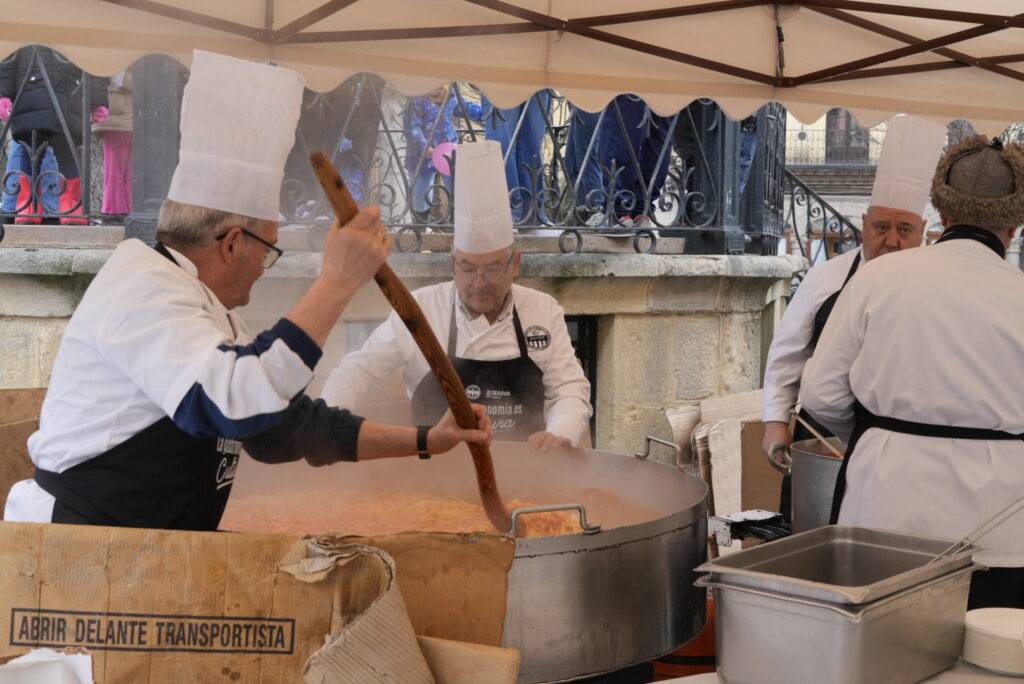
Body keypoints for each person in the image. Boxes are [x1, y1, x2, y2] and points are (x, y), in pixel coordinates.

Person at [3, 50, 491, 532]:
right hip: (78, 552)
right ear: (233, 243)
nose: (266, 267)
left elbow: (287, 428)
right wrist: (336, 281)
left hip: (147, 553)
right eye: (269, 249)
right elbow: (232, 403)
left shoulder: (207, 309)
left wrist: (428, 439)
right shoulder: (141, 288)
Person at [802, 135, 1024, 609]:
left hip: (885, 507)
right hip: (1002, 526)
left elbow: (820, 395)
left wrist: (880, 436)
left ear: (941, 216)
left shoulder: (877, 277)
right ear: (1015, 224)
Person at [322, 140, 592, 451]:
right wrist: (326, 421)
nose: (479, 282)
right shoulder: (419, 308)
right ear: (453, 264)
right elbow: (361, 370)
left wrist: (560, 433)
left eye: (492, 268)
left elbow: (568, 389)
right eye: (467, 268)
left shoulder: (542, 311)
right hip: (433, 473)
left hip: (528, 470)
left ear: (514, 264)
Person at [760, 115, 947, 521]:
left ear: (924, 232)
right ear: (863, 224)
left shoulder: (936, 288)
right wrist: (776, 421)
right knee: (811, 537)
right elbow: (787, 355)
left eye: (904, 229)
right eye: (881, 227)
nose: (892, 240)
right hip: (820, 441)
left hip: (902, 444)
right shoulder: (826, 276)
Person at [0, 45, 108, 225]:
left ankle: (34, 210)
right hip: (48, 95)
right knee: (41, 154)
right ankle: (63, 210)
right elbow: (9, 60)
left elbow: (94, 64)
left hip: (52, 95)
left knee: (50, 155)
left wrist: (98, 101)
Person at [403, 84, 482, 222]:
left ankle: (457, 224)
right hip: (421, 154)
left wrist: (487, 115)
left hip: (447, 150)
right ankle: (421, 225)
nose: (438, 89)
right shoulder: (416, 97)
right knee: (421, 193)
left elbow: (465, 108)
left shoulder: (451, 95)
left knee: (457, 190)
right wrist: (424, 145)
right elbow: (411, 125)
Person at [92, 68, 133, 217]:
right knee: (116, 168)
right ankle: (113, 210)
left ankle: (124, 209)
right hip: (117, 118)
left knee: (127, 170)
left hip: (125, 118)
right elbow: (128, 82)